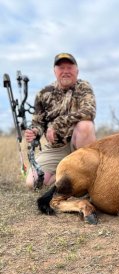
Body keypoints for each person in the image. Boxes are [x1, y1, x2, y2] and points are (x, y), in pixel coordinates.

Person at [24, 53, 97, 189]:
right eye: (61, 68)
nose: (65, 71)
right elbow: (38, 123)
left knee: (85, 125)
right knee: (32, 183)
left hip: (78, 144)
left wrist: (57, 124)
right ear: (54, 71)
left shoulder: (83, 87)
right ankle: (64, 175)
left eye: (69, 67)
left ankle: (88, 180)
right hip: (55, 148)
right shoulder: (43, 94)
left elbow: (89, 112)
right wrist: (34, 132)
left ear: (77, 70)